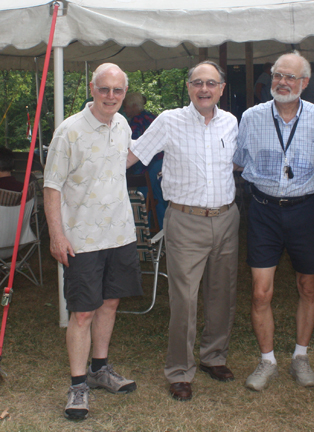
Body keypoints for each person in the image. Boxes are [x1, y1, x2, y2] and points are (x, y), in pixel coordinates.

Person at [127, 61, 239, 402]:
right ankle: (179, 370)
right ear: (188, 87)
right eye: (197, 83)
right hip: (185, 220)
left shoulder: (231, 122)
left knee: (223, 293)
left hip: (226, 218)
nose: (204, 89)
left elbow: (239, 162)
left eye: (211, 83)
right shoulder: (169, 120)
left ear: (221, 88)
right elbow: (133, 155)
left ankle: (213, 357)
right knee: (184, 300)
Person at [44, 63, 143, 420]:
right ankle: (77, 385)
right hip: (81, 238)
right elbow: (51, 186)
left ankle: (100, 369)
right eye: (104, 89)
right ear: (92, 88)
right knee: (83, 311)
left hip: (119, 233)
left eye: (117, 91)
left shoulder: (122, 125)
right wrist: (57, 234)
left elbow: (116, 167)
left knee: (110, 304)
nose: (111, 97)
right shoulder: (69, 131)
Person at [234, 51, 314, 391]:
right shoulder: (251, 117)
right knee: (260, 293)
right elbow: (238, 160)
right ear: (270, 79)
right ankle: (267, 360)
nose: (283, 82)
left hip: (307, 211)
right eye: (278, 75)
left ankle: (301, 357)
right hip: (264, 210)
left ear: (304, 83)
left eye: (291, 77)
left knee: (308, 286)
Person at [122, 92, 167, 229]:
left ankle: (140, 230)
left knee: (141, 197)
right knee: (158, 198)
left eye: (126, 107)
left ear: (134, 106)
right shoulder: (153, 117)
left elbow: (131, 145)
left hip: (149, 165)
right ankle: (163, 232)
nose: (124, 110)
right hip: (162, 161)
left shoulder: (136, 121)